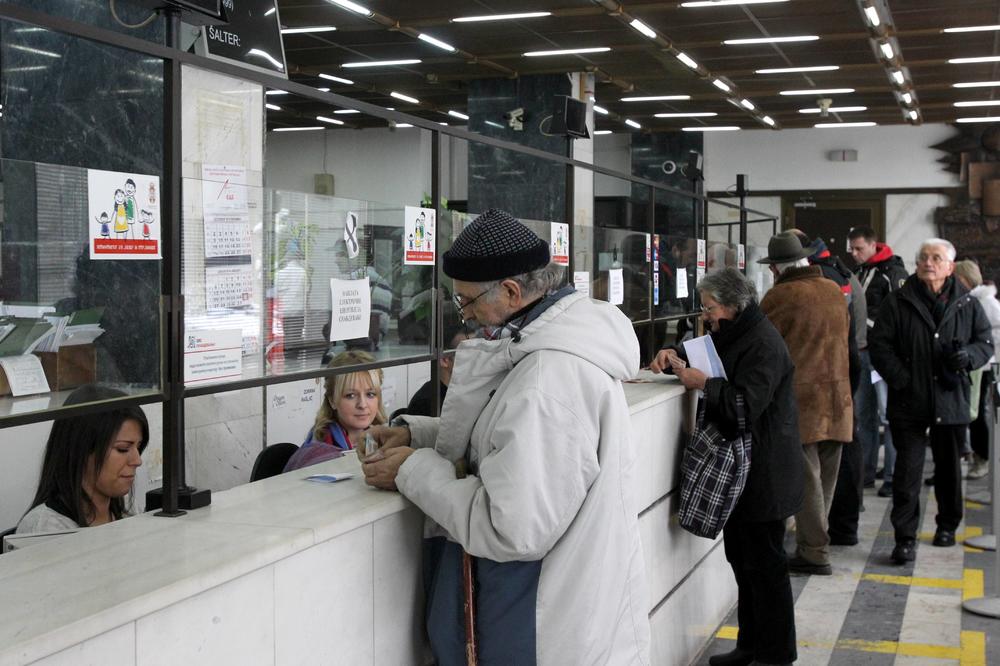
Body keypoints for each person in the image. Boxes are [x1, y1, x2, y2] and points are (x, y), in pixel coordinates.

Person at [361, 209, 650, 665]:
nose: (468, 315)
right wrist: (416, 436)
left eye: (468, 301)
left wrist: (412, 470)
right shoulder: (547, 351)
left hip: (543, 625)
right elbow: (507, 445)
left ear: (512, 292)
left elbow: (510, 526)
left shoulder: (550, 377)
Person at [650, 267, 802, 666]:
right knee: (744, 563)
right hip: (744, 472)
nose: (706, 316)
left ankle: (776, 655)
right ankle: (750, 646)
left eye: (710, 308)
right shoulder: (737, 331)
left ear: (735, 305)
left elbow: (745, 405)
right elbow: (709, 353)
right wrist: (675, 356)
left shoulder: (764, 344)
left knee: (767, 569)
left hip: (765, 473)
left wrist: (703, 384)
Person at [870, 238, 994, 564]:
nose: (929, 262)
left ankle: (947, 526)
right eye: (923, 257)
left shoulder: (967, 304)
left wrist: (968, 357)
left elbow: (985, 343)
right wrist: (902, 380)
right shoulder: (898, 301)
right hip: (909, 402)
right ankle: (905, 538)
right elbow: (880, 346)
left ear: (950, 267)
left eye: (936, 258)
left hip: (950, 400)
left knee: (949, 470)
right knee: (907, 474)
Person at [759, 231, 853, 576]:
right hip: (839, 398)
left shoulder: (780, 295)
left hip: (803, 401)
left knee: (806, 478)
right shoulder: (832, 289)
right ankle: (813, 540)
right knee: (825, 476)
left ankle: (815, 550)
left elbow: (763, 346)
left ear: (776, 269)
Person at [790, 229, 868, 545]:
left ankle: (824, 537)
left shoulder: (824, 279)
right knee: (842, 451)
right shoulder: (839, 272)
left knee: (826, 464)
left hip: (829, 378)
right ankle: (841, 527)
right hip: (843, 373)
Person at [17, 385, 148, 534]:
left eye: (138, 447)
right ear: (82, 450)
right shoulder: (45, 530)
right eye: (122, 449)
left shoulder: (127, 509)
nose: (137, 460)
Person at [849, 226, 909, 496]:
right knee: (864, 414)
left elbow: (900, 315)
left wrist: (872, 328)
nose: (854, 253)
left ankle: (893, 474)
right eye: (851, 248)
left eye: (859, 248)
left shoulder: (893, 273)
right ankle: (867, 470)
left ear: (874, 245)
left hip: (883, 354)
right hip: (861, 351)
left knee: (889, 414)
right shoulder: (859, 272)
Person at [283, 350, 387, 472]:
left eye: (370, 394)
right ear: (332, 400)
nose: (362, 405)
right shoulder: (317, 452)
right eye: (351, 396)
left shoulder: (384, 438)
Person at [953, 260, 1000, 479]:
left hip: (985, 365)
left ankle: (983, 456)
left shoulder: (986, 302)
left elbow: (992, 336)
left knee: (979, 413)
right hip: (972, 362)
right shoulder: (968, 299)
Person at [405, 316, 473, 417]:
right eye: (469, 353)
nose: (478, 358)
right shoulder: (428, 403)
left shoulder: (468, 392)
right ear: (444, 360)